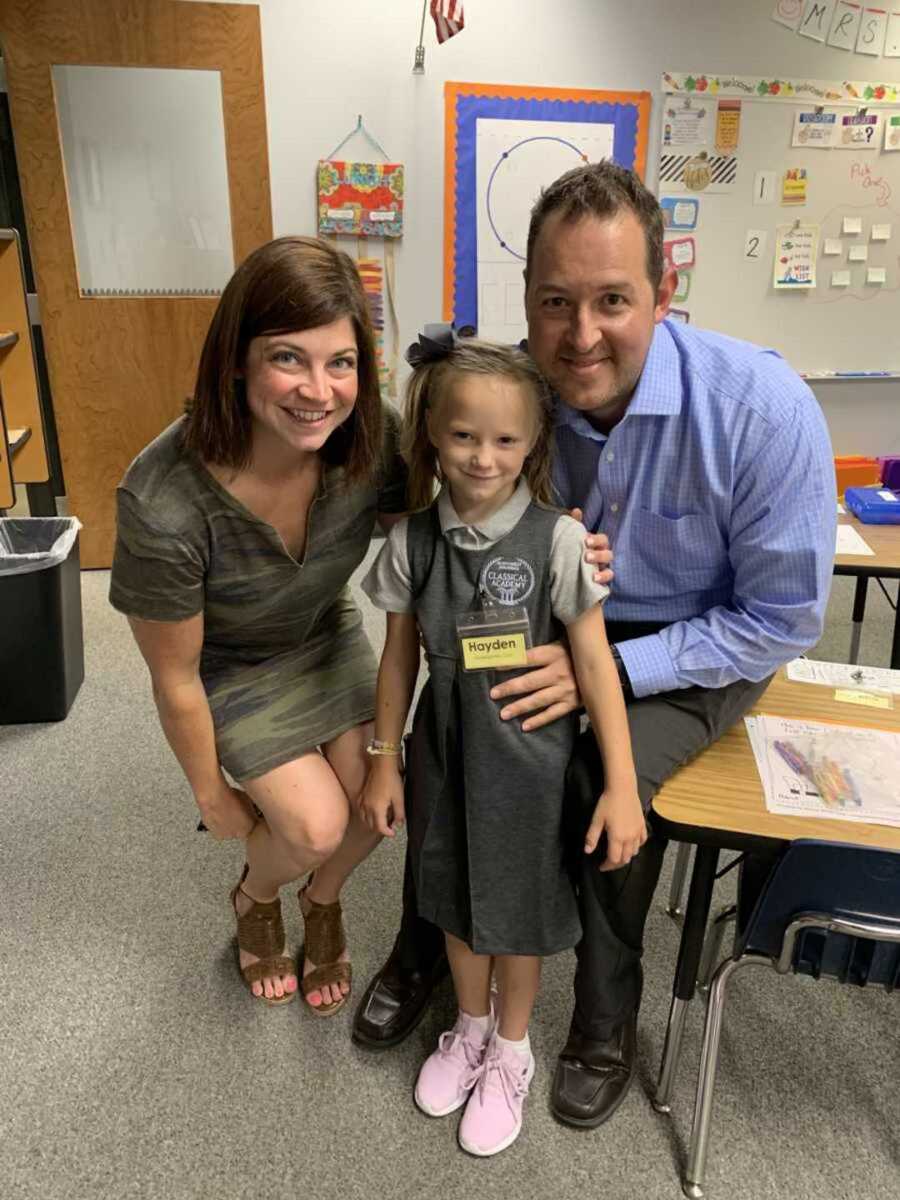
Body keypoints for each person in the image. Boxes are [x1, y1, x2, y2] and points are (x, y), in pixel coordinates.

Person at [353, 162, 836, 1130]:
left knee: (588, 778)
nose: (582, 335)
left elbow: (780, 620)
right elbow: (427, 481)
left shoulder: (762, 413)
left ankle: (602, 1017)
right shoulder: (514, 397)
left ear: (664, 294)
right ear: (526, 302)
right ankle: (433, 951)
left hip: (697, 644)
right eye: (556, 303)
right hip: (548, 611)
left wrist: (603, 668)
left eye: (613, 300)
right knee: (458, 730)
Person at [358, 336, 643, 1155]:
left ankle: (512, 1048)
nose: (485, 457)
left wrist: (621, 786)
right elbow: (399, 654)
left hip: (526, 758)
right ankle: (470, 1028)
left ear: (533, 445)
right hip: (442, 750)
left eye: (506, 440)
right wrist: (384, 762)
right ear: (431, 438)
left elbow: (593, 662)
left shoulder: (557, 541)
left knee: (518, 909)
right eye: (463, 436)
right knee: (448, 890)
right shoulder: (413, 540)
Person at [110, 236, 407, 1015]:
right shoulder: (163, 499)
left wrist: (561, 537)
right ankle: (258, 895)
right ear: (236, 361)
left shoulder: (374, 436)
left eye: (340, 362)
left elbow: (468, 503)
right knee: (312, 827)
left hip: (323, 632)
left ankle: (324, 900)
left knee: (379, 800)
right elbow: (173, 675)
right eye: (288, 359)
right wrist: (211, 794)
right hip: (229, 664)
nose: (320, 390)